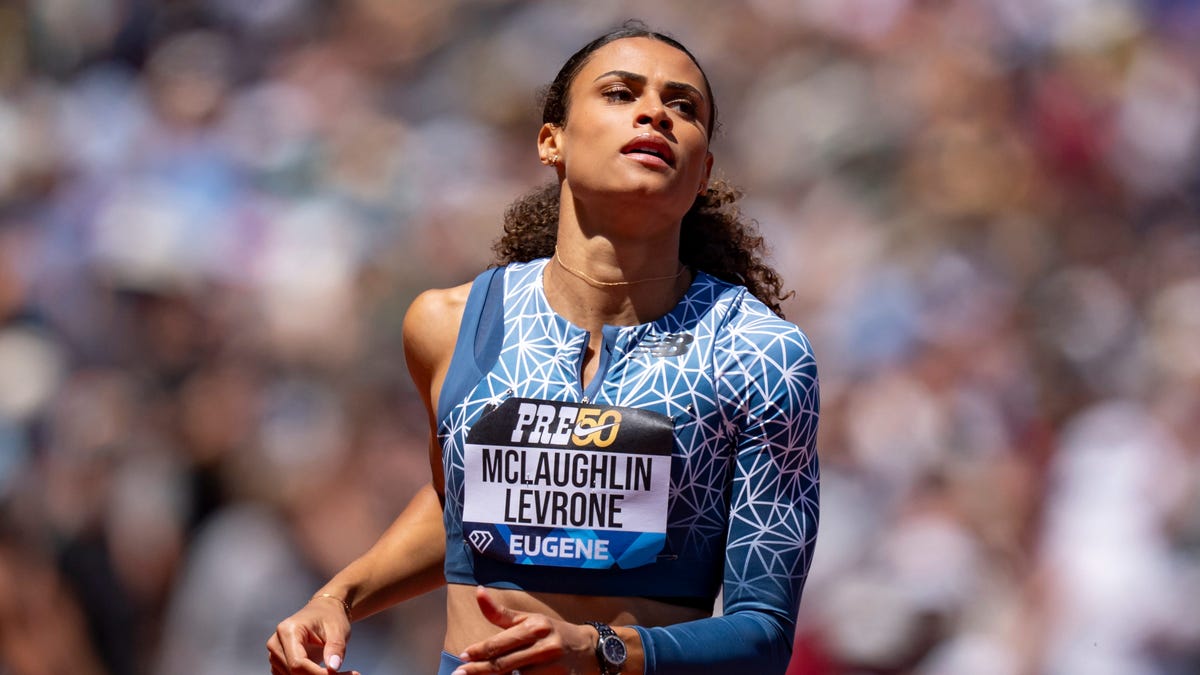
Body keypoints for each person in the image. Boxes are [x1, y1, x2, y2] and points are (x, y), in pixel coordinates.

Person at [267, 21, 820, 675]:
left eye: (683, 106)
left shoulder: (761, 356)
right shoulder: (448, 325)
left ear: (702, 171)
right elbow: (458, 504)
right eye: (620, 93)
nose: (654, 112)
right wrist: (338, 597)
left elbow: (764, 633)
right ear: (550, 141)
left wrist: (602, 650)